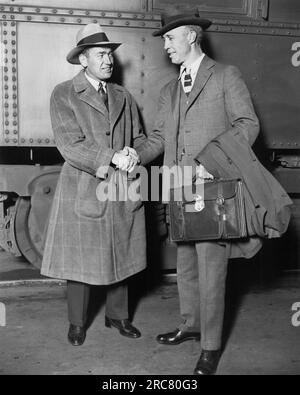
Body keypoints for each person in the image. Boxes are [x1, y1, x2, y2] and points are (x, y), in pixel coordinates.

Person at [136, 10, 261, 375]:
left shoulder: (225, 76)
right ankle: (190, 325)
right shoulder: (170, 89)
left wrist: (215, 162)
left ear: (191, 36)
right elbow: (159, 137)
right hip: (178, 188)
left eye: (170, 39)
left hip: (211, 189)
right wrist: (134, 155)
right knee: (187, 264)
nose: (165, 46)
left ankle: (210, 346)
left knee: (211, 269)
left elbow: (247, 125)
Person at [41, 23, 147, 346]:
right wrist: (114, 157)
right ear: (83, 59)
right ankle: (77, 322)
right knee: (80, 261)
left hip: (121, 186)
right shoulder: (64, 93)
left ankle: (117, 316)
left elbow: (140, 139)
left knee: (122, 250)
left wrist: (134, 153)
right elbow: (70, 145)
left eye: (110, 54)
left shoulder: (123, 96)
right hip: (84, 185)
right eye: (101, 54)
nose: (109, 60)